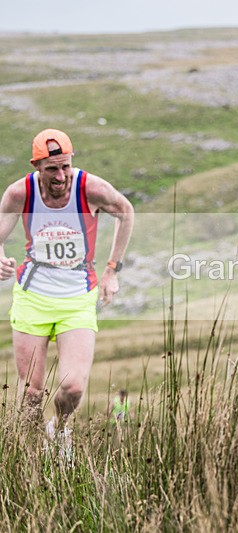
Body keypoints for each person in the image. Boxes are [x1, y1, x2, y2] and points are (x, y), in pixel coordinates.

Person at [0, 128, 135, 444]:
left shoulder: (91, 189)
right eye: (52, 169)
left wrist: (112, 270)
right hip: (32, 296)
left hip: (77, 297)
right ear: (37, 167)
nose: (60, 176)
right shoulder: (20, 193)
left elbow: (126, 212)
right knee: (32, 393)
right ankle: (30, 458)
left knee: (73, 387)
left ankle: (59, 429)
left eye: (65, 166)